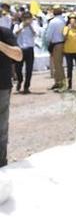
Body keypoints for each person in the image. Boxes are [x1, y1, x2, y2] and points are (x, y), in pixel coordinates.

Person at [0, 26, 21, 167]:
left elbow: (18, 55)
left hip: (1, 87)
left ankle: (1, 163)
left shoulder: (5, 33)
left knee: (1, 128)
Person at [13, 12, 38, 94]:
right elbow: (14, 34)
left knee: (29, 69)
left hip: (30, 49)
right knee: (18, 68)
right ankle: (20, 80)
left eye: (29, 18)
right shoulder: (18, 25)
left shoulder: (34, 25)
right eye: (25, 18)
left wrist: (30, 26)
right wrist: (22, 27)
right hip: (20, 49)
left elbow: (36, 34)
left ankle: (26, 86)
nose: (27, 20)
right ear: (22, 19)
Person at [44, 5, 66, 90]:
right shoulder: (63, 20)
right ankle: (58, 82)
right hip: (62, 43)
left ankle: (61, 84)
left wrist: (47, 42)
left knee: (57, 65)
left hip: (56, 44)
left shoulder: (53, 22)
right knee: (59, 64)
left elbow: (48, 36)